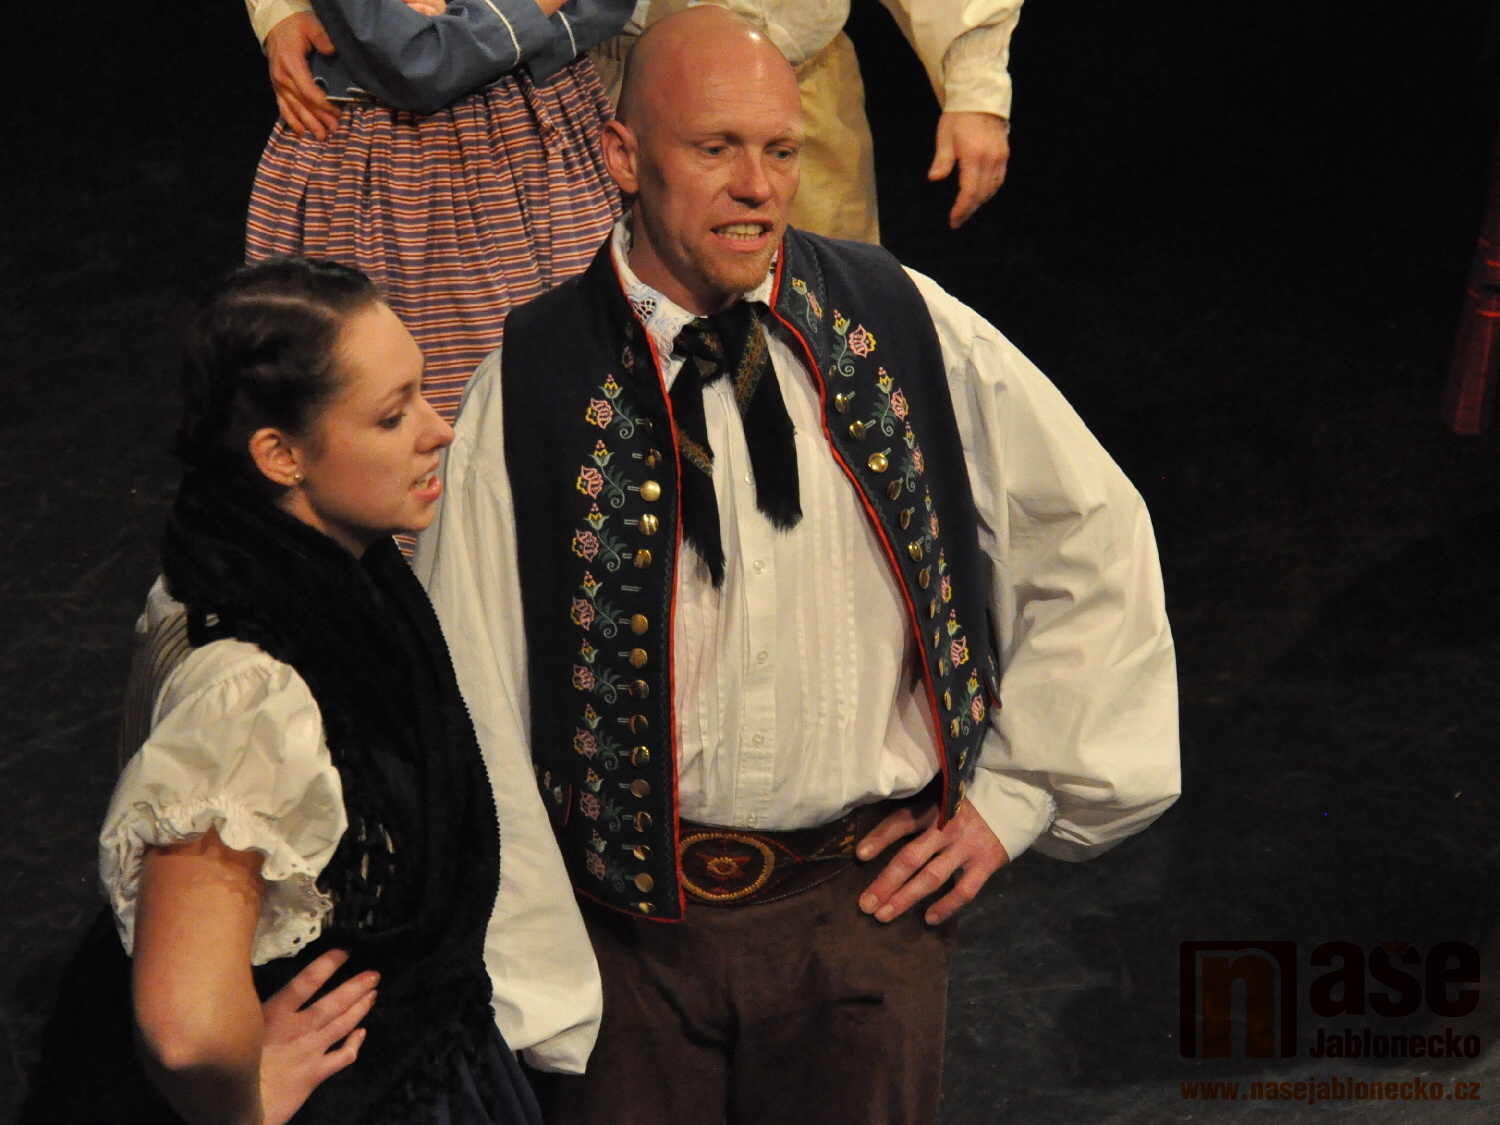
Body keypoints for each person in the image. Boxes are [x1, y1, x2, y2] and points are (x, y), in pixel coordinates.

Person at [416, 8, 1180, 1123]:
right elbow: (471, 690)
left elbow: (1090, 534)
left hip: (862, 923)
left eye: (780, 150)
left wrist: (1012, 799)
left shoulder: (899, 325)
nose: (757, 187)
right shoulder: (534, 381)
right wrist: (538, 975)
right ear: (623, 155)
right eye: (715, 148)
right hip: (625, 942)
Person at [20, 258, 594, 1124]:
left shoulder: (283, 563)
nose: (439, 430)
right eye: (392, 415)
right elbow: (184, 1026)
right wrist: (245, 1103)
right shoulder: (251, 693)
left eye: (424, 396)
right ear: (280, 454)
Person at [244, 0, 633, 421]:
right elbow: (413, 60)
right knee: (392, 419)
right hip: (383, 159)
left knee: (586, 414)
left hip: (548, 136)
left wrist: (464, 37)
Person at [589, 0, 1022, 242]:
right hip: (612, 88)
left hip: (799, 89)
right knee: (609, 325)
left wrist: (974, 83)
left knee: (821, 322)